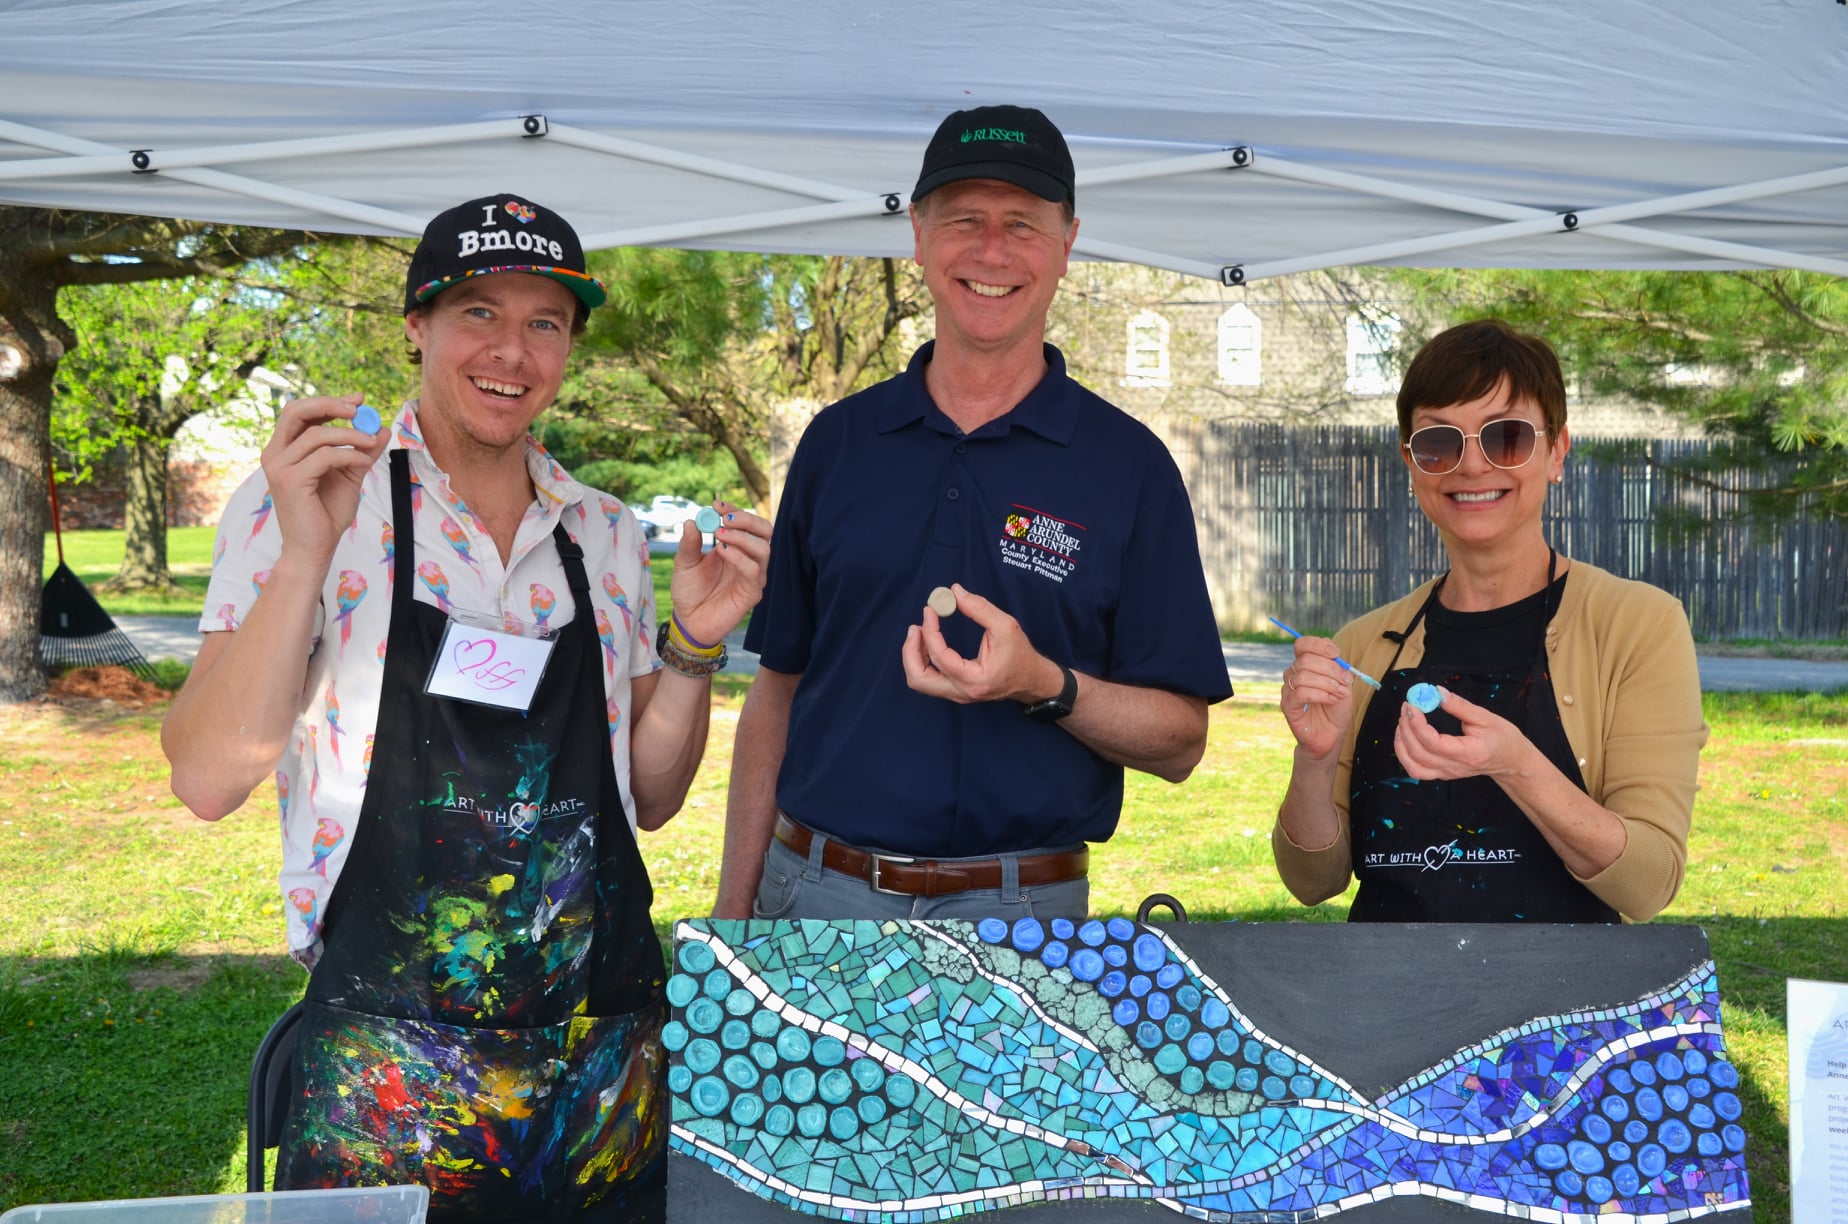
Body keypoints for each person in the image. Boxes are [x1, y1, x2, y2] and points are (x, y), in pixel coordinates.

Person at [162, 193, 769, 1221]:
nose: (513, 352)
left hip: (599, 1086)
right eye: (479, 313)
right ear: (417, 326)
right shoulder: (309, 498)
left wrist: (695, 646)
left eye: (546, 323)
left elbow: (652, 798)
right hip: (386, 1091)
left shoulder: (606, 535)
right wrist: (310, 553)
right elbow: (207, 777)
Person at [715, 105, 1233, 923]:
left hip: (1027, 918)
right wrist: (732, 915)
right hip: (816, 899)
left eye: (1022, 224)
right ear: (918, 234)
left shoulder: (1128, 467)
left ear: (1067, 242)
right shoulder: (838, 444)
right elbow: (775, 693)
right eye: (964, 220)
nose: (992, 252)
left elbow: (1181, 741)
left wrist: (1043, 683)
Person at [1271, 319, 1706, 923]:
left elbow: (1648, 884)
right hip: (1389, 1006)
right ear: (1412, 463)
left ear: (1557, 451)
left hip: (1565, 1010)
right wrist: (1314, 762)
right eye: (1439, 443)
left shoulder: (1638, 626)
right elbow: (1312, 881)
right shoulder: (1364, 645)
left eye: (1506, 438)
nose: (1471, 465)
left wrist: (1515, 764)